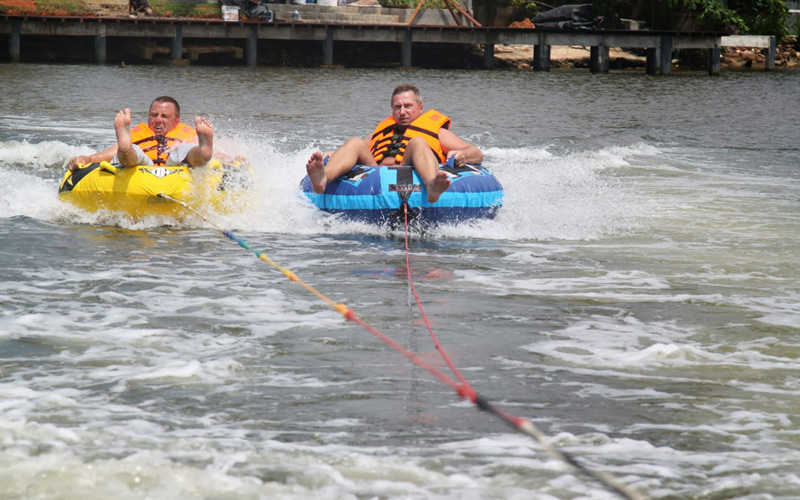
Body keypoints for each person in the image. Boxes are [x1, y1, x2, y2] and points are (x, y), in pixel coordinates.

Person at [305, 83, 483, 204]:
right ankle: (323, 178)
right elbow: (355, 148)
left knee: (418, 142)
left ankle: (432, 186)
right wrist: (332, 154)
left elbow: (476, 152)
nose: (403, 112)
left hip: (407, 168)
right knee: (354, 142)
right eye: (398, 107)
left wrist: (462, 155)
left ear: (420, 108)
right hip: (375, 171)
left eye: (408, 106)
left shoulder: (436, 131)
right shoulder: (383, 130)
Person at [67, 96, 213, 172]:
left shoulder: (187, 134)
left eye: (164, 116)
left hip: (176, 168)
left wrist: (233, 160)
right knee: (133, 150)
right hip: (143, 170)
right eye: (154, 115)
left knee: (181, 151)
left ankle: (203, 151)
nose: (157, 120)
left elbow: (218, 157)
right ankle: (125, 147)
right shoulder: (139, 134)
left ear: (176, 121)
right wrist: (87, 158)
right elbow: (107, 154)